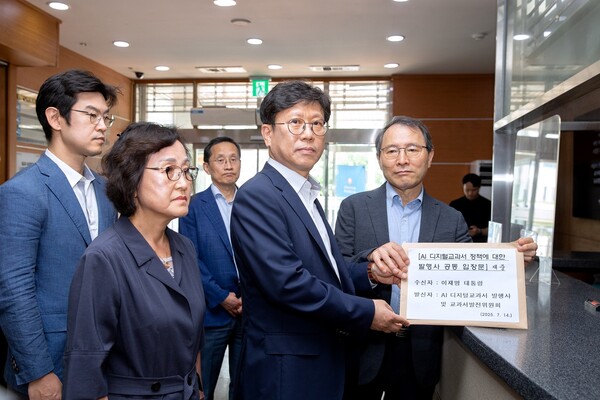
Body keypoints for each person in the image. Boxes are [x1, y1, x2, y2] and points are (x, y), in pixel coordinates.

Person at [230, 80, 411, 400]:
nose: (308, 133)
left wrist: (371, 272)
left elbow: (328, 272)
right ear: (268, 133)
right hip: (286, 370)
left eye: (317, 123)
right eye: (295, 122)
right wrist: (367, 312)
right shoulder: (258, 195)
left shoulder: (306, 194)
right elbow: (288, 284)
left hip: (322, 359)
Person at [334, 115, 538, 400]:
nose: (402, 159)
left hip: (420, 353)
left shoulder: (451, 219)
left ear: (430, 156)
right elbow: (337, 272)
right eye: (391, 150)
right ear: (379, 158)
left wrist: (509, 258)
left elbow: (472, 276)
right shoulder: (353, 208)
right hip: (364, 347)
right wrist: (371, 271)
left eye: (412, 149)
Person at [62, 122, 206, 399]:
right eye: (169, 170)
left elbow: (193, 337)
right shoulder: (104, 259)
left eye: (186, 171)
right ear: (132, 182)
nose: (183, 182)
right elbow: (85, 368)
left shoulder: (184, 248)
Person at [0, 69, 119, 399]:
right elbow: (13, 290)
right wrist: (38, 371)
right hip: (50, 362)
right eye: (91, 115)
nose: (102, 126)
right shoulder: (22, 192)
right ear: (55, 118)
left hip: (103, 359)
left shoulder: (105, 191)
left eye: (106, 117)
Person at [179, 136, 243, 400]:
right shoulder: (193, 206)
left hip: (249, 311)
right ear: (206, 167)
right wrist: (222, 296)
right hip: (212, 312)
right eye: (220, 160)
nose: (228, 165)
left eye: (233, 159)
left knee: (244, 385)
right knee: (204, 385)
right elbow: (191, 259)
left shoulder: (253, 202)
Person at [449, 173, 492, 242]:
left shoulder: (488, 205)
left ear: (479, 188)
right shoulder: (455, 204)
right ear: (462, 187)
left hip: (481, 242)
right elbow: (449, 226)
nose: (470, 193)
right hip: (460, 242)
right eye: (467, 190)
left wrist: (479, 231)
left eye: (474, 190)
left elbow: (493, 229)